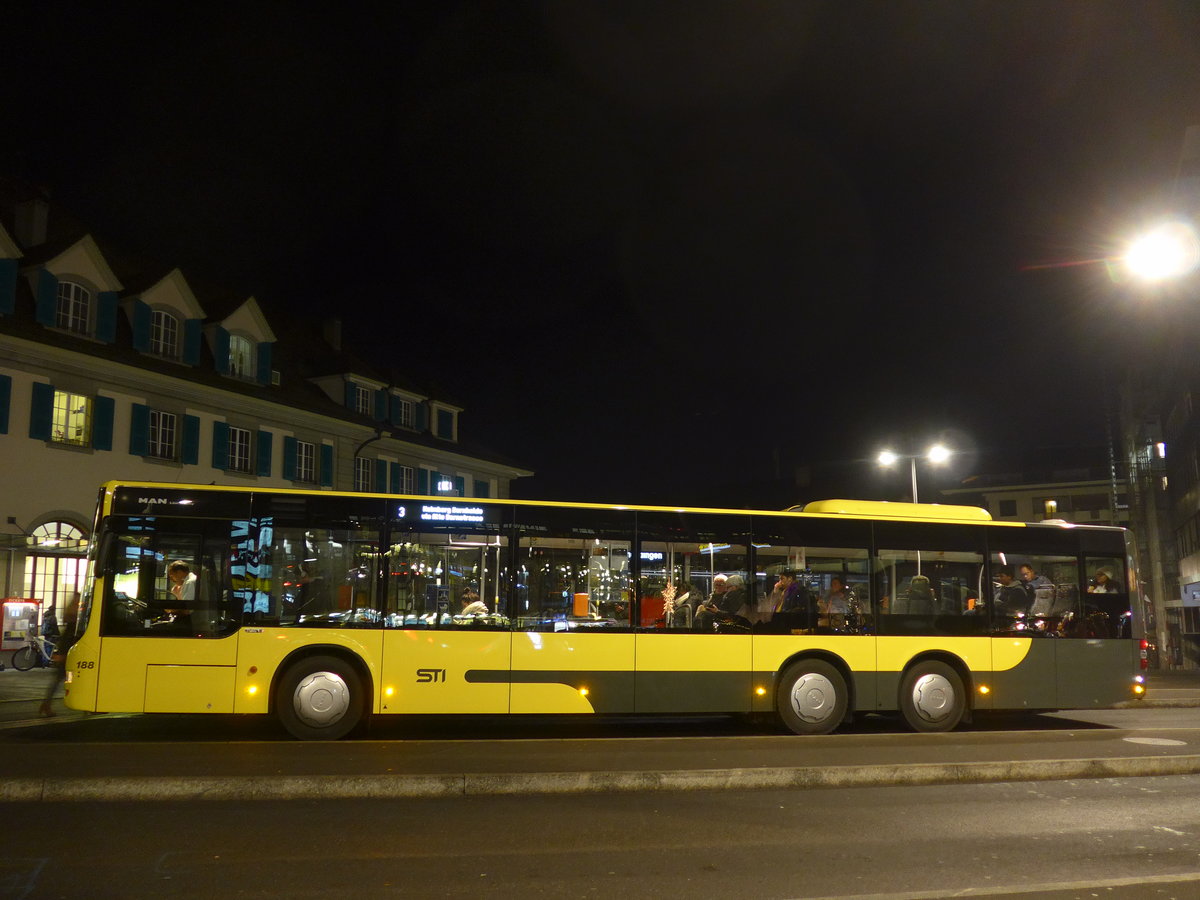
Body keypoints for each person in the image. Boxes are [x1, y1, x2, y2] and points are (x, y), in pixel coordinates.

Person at [40, 593, 79, 717]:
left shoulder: (70, 616)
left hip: (67, 654)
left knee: (59, 680)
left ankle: (46, 704)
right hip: (69, 655)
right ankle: (46, 705)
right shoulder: (75, 620)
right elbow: (69, 639)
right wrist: (63, 654)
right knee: (66, 679)